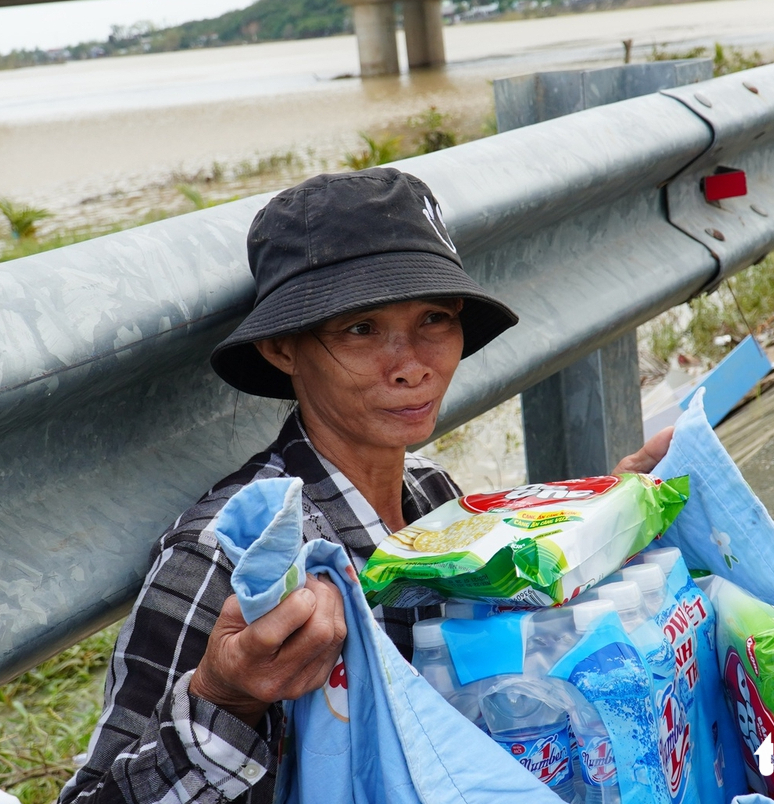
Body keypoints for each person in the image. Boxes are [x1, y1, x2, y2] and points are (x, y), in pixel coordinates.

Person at [58, 167, 673, 804]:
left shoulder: (434, 498)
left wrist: (608, 515)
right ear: (280, 349)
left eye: (435, 318)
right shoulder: (230, 559)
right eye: (360, 329)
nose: (411, 365)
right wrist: (226, 696)